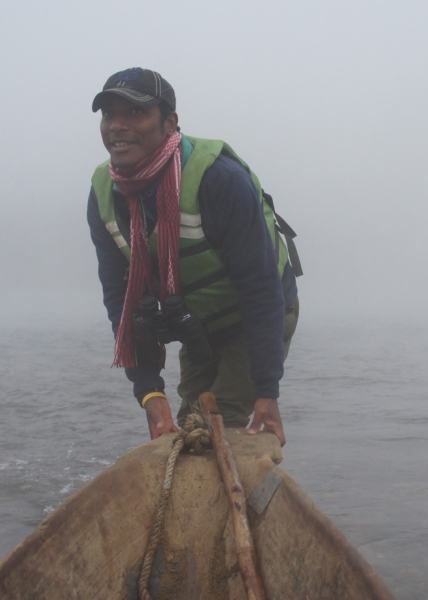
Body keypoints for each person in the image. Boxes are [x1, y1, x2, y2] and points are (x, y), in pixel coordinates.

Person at [87, 68, 299, 446]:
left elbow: (261, 288)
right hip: (198, 324)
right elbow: (122, 301)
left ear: (170, 123)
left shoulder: (220, 180)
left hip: (259, 314)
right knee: (191, 425)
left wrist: (268, 388)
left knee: (220, 425)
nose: (117, 126)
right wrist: (149, 392)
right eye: (109, 115)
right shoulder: (106, 193)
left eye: (135, 114)